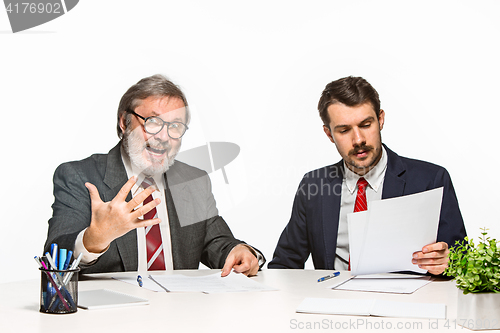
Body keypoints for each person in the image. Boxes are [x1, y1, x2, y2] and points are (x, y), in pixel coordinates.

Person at [44, 74, 264, 276]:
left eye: (175, 126)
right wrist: (94, 239)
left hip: (182, 312)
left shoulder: (193, 180)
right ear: (124, 122)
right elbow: (53, 256)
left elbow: (217, 242)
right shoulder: (79, 176)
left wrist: (239, 251)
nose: (163, 137)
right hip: (111, 316)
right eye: (153, 122)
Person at [268, 76, 466, 275]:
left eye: (365, 125)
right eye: (344, 130)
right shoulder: (313, 185)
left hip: (403, 303)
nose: (358, 140)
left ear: (380, 120)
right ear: (329, 134)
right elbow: (284, 266)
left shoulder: (431, 180)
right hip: (333, 302)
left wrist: (449, 262)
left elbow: (463, 261)